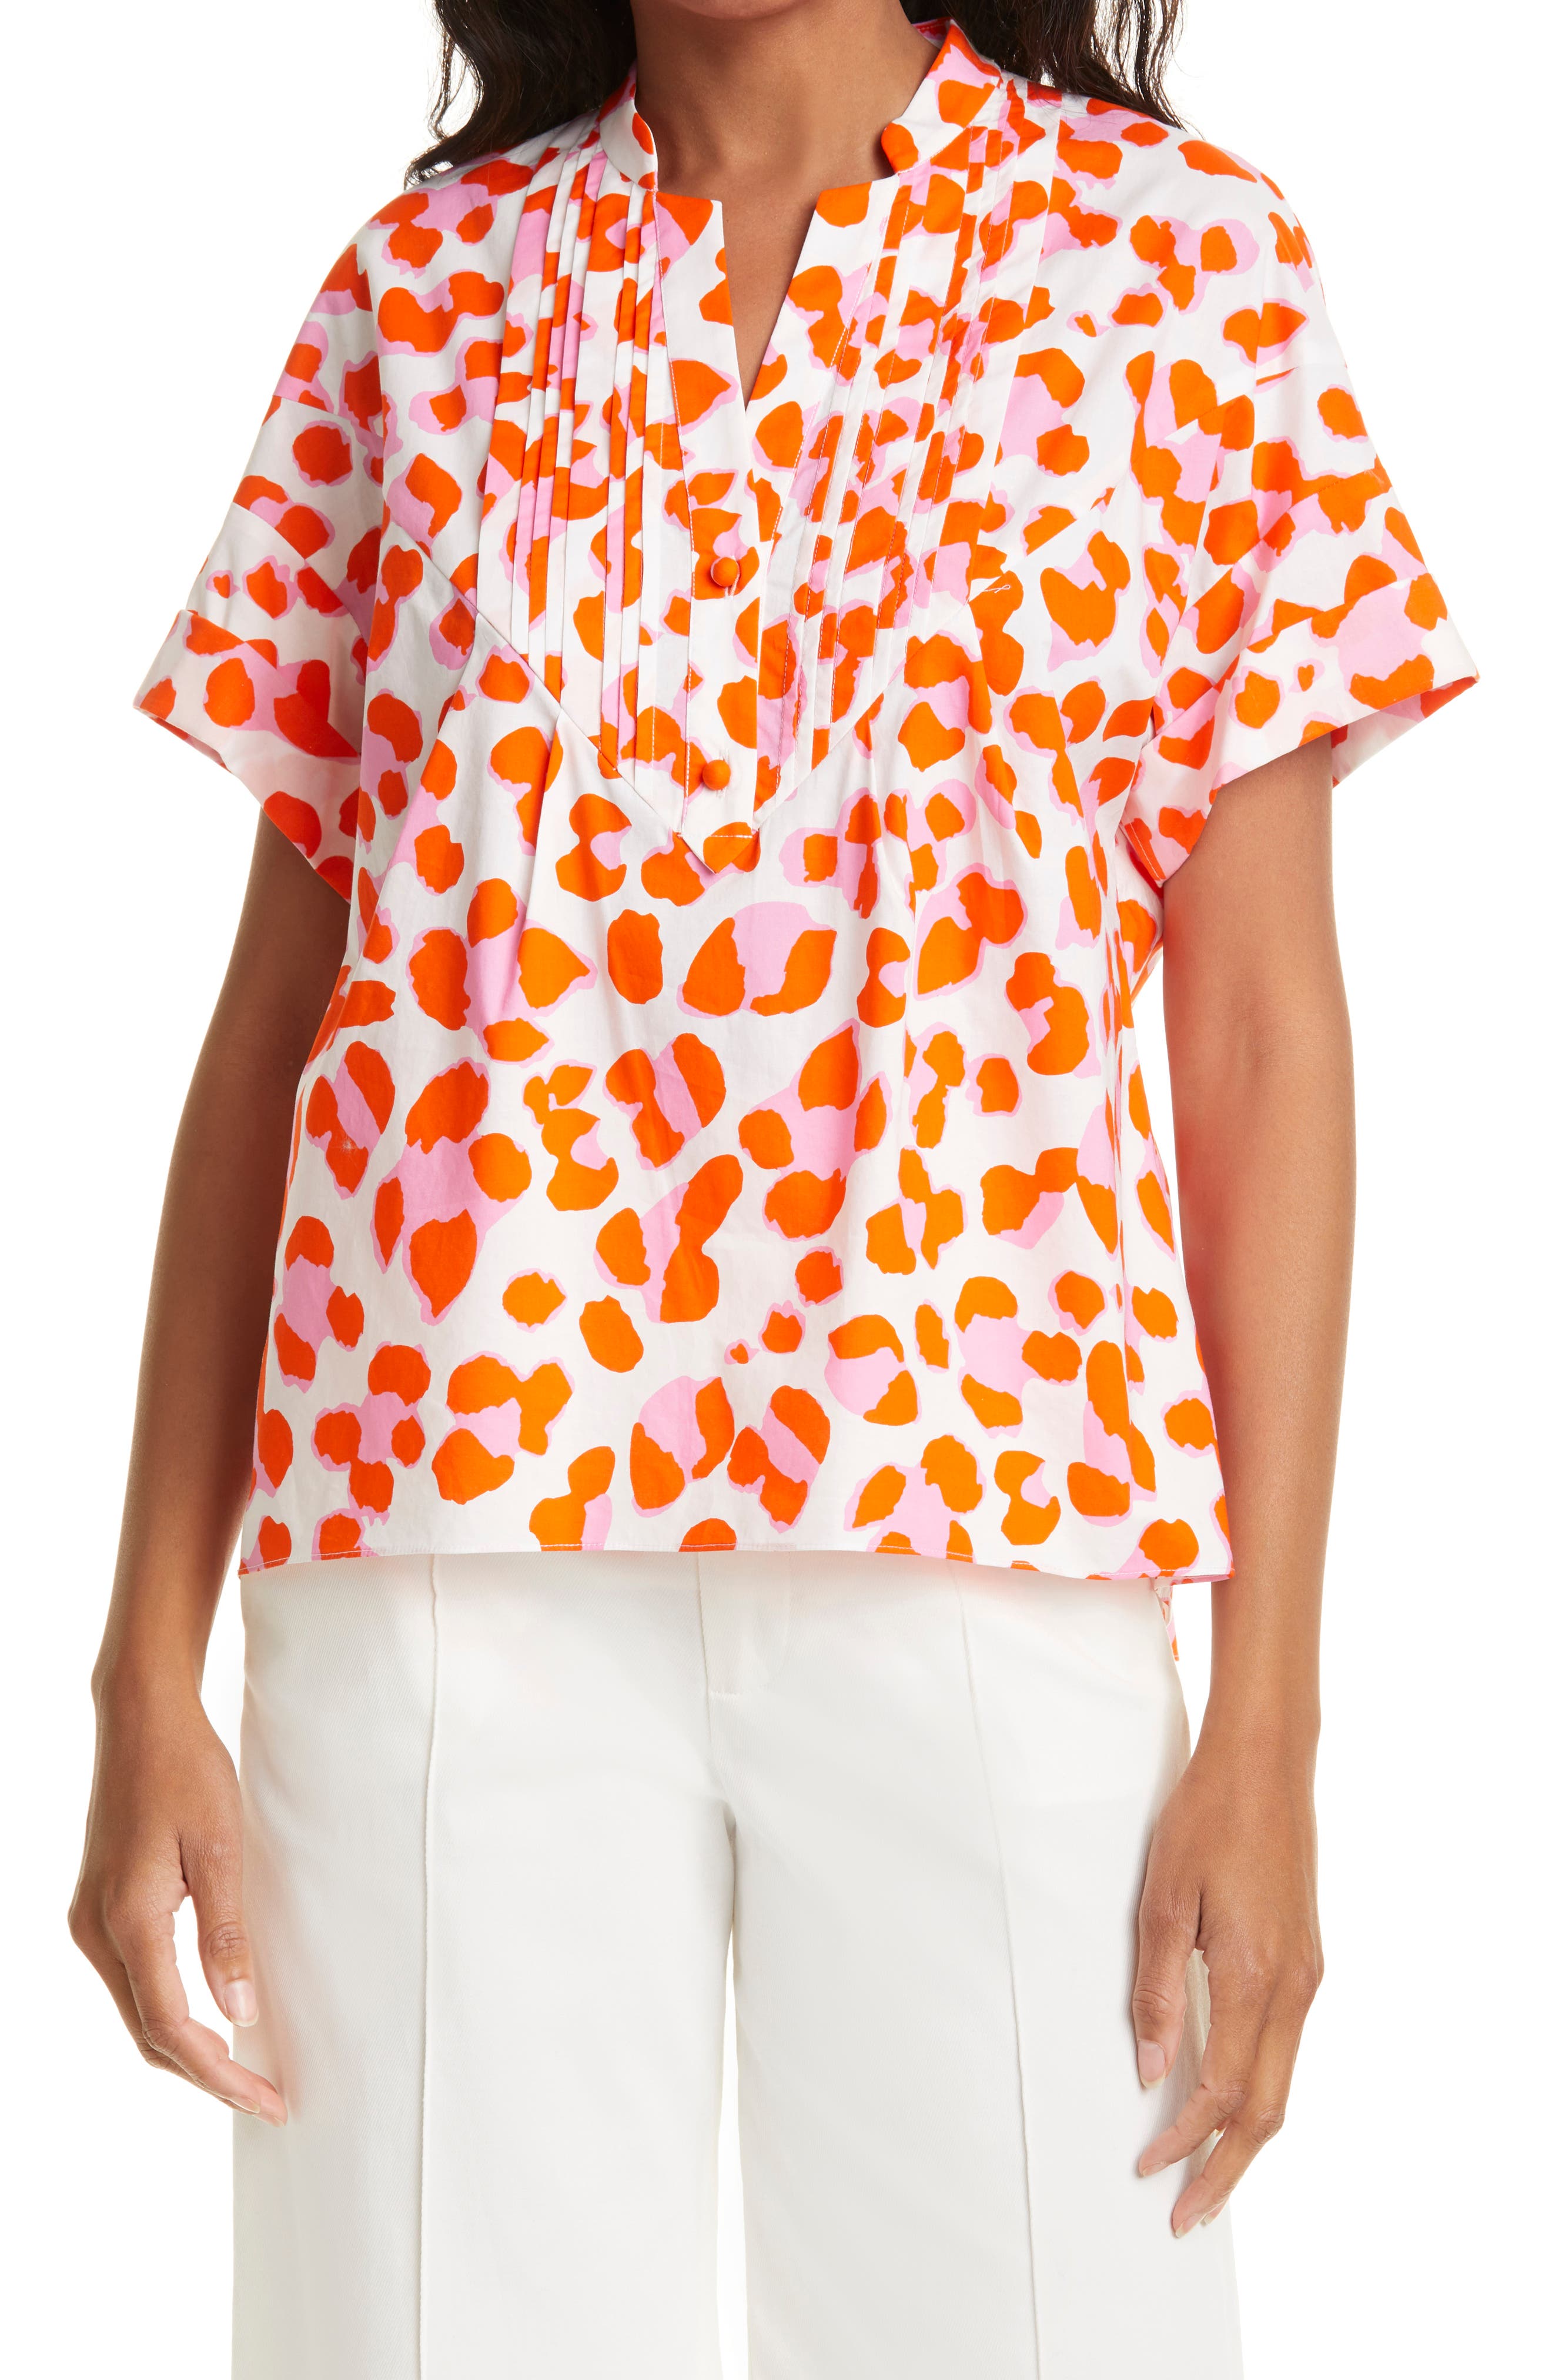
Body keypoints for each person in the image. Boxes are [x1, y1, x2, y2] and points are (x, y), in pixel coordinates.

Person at [69, 4, 1477, 2374]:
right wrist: (142, 1660)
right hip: (442, 1541)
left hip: (993, 1527)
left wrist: (1272, 1718)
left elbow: (1258, 1031)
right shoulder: (421, 294)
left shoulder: (1182, 271)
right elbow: (275, 1026)